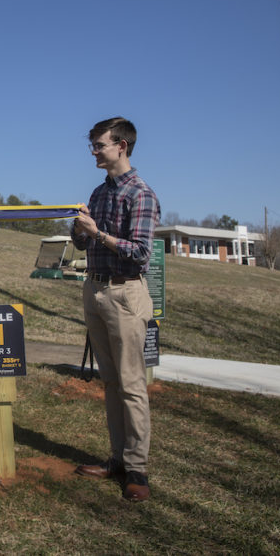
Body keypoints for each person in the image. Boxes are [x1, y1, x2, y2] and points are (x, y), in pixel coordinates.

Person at [70, 117, 160, 502]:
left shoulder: (141, 194)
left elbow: (140, 253)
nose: (93, 151)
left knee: (131, 385)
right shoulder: (98, 192)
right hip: (95, 290)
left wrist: (98, 234)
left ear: (121, 145)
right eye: (92, 145)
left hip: (126, 295)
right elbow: (81, 244)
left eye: (99, 145)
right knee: (110, 381)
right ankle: (117, 459)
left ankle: (137, 469)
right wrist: (79, 228)